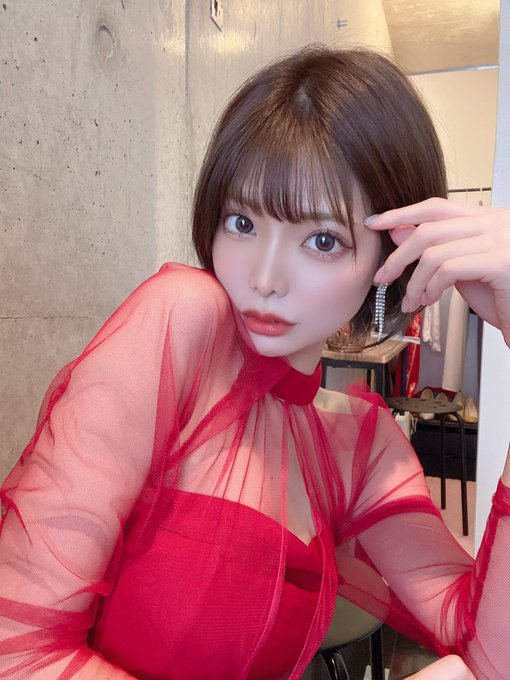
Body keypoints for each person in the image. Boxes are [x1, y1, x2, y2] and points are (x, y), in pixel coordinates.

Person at [0, 46, 509, 680]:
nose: (264, 278)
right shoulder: (181, 323)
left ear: (391, 258)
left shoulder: (363, 445)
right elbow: (16, 648)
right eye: (242, 222)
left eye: (321, 240)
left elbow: (490, 655)